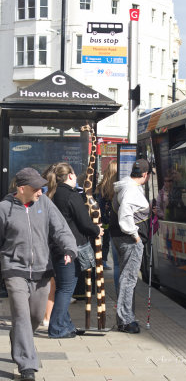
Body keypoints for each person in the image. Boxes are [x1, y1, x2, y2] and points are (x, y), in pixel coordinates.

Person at [0, 167, 78, 381]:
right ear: (21, 188)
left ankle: (17, 336)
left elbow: (61, 228)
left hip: (42, 270)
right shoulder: (4, 208)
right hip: (14, 269)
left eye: (42, 187)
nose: (41, 191)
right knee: (22, 316)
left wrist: (69, 249)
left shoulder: (44, 203)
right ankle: (27, 366)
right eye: (36, 188)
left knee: (34, 317)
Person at [44, 162, 103, 338]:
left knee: (63, 287)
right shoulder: (71, 195)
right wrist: (97, 230)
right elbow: (84, 223)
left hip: (56, 247)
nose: (76, 177)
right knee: (66, 288)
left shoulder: (52, 195)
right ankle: (56, 328)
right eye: (75, 174)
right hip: (70, 248)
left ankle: (66, 325)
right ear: (70, 175)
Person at [109, 158, 152, 334]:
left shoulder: (126, 186)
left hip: (120, 238)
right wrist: (135, 236)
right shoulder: (131, 191)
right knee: (129, 279)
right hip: (130, 240)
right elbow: (126, 211)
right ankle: (126, 320)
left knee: (126, 279)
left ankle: (125, 317)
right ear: (144, 175)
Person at [95, 160, 119, 294]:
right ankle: (104, 260)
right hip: (115, 223)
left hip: (104, 220)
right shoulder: (117, 187)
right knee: (118, 262)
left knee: (105, 243)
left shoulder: (102, 186)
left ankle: (102, 260)